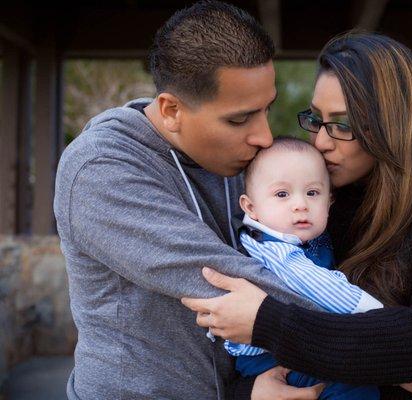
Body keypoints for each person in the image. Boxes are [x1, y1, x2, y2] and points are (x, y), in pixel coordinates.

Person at [182, 32, 412, 400]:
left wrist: (264, 322)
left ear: (393, 124)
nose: (321, 141)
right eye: (316, 119)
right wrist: (253, 392)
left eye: (343, 124)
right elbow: (248, 358)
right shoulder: (313, 206)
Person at [53, 2, 327, 399]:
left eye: (267, 110)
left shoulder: (230, 155)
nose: (264, 137)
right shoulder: (100, 169)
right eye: (239, 119)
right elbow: (228, 281)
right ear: (171, 110)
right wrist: (392, 351)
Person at [226, 137, 382, 399]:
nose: (300, 204)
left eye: (312, 193)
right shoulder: (272, 248)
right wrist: (383, 320)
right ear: (251, 208)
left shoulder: (307, 235)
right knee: (352, 386)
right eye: (282, 194)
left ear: (329, 201)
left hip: (298, 343)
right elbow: (324, 290)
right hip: (271, 359)